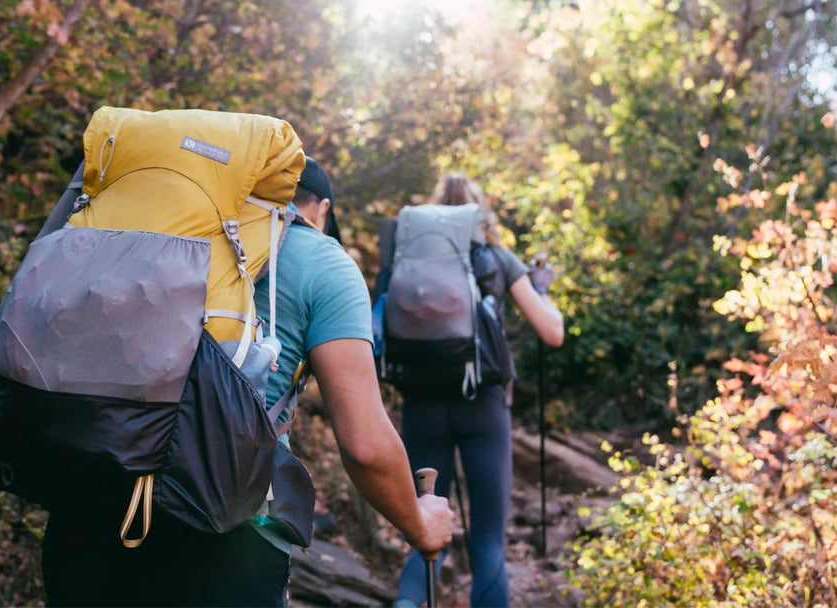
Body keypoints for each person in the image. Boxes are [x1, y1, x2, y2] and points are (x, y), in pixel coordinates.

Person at [41, 157, 455, 607]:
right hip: (229, 538)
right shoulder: (323, 261)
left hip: (86, 513)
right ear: (320, 210)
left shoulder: (151, 231)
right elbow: (366, 446)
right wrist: (419, 523)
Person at [393, 173, 564, 608]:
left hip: (421, 405)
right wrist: (542, 291)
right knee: (488, 541)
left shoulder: (403, 262)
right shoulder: (497, 259)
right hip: (483, 407)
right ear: (478, 213)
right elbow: (552, 333)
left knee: (426, 534)